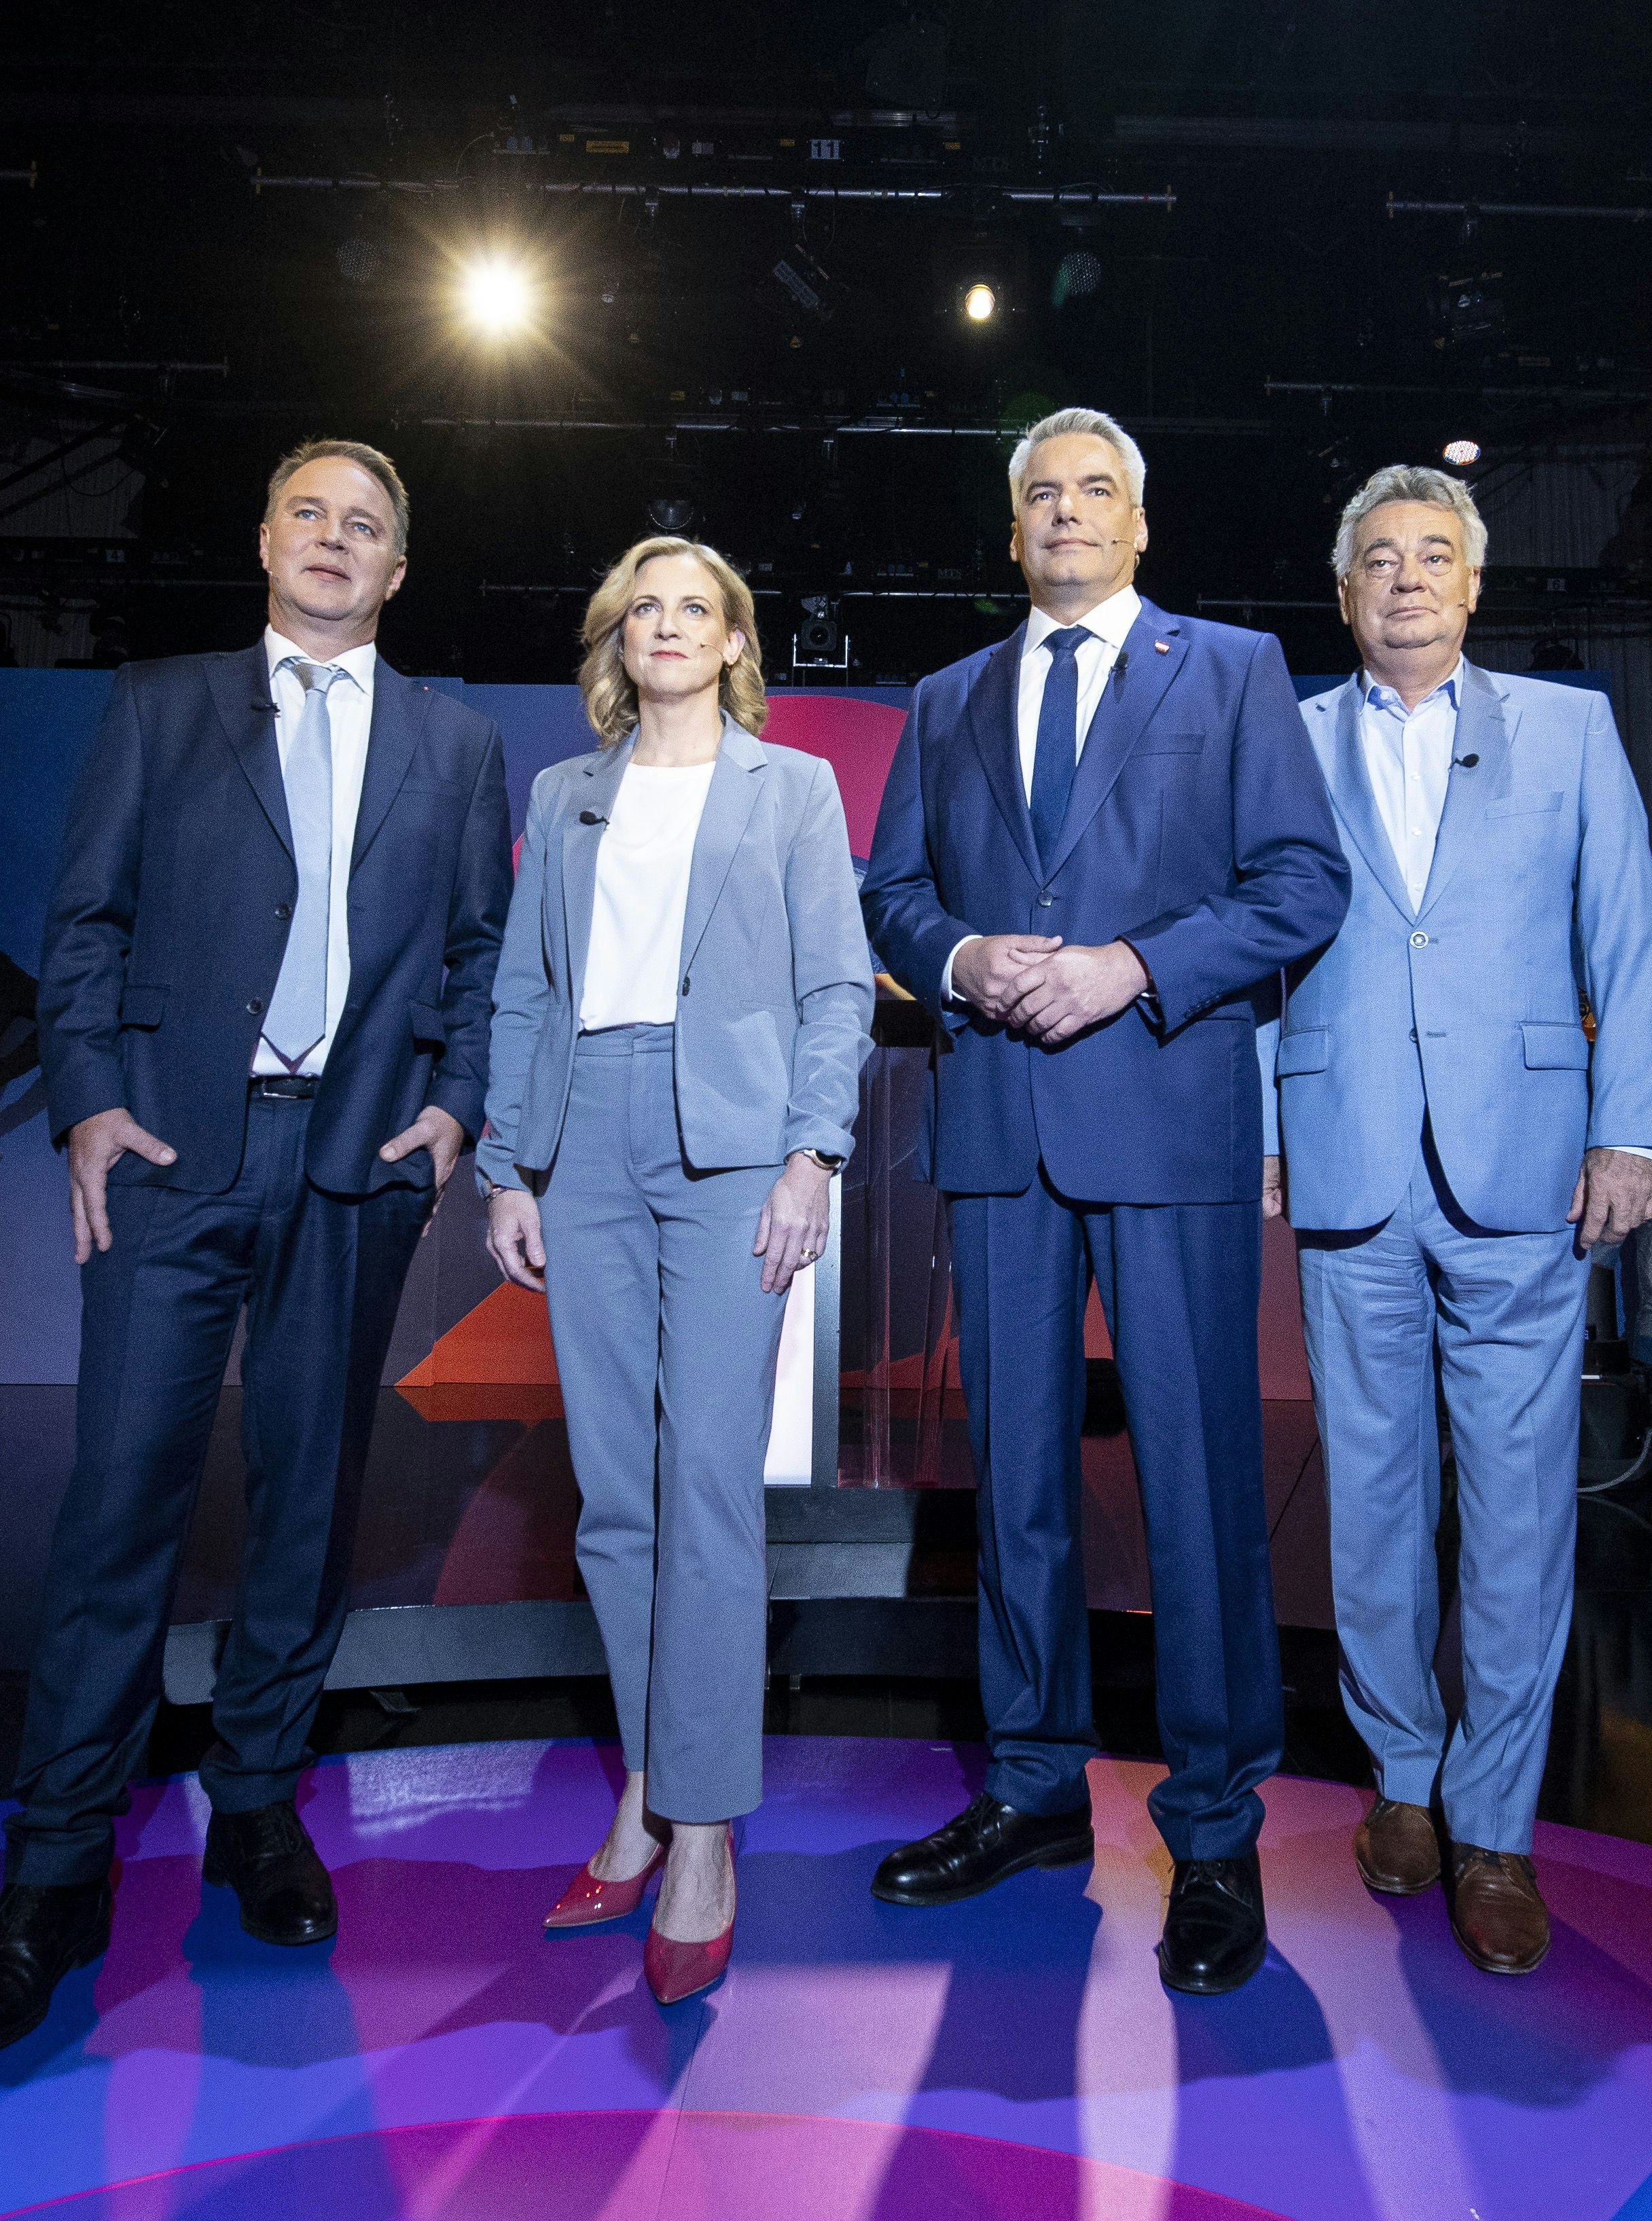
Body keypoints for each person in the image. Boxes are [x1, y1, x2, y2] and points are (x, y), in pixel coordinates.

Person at [0, 441, 512, 2052]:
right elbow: (80, 925)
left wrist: (454, 1112)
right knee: (118, 1507)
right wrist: (86, 1101)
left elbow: (484, 960)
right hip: (172, 1151)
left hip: (354, 1164)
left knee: (311, 1504)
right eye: (311, 513)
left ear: (399, 569)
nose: (337, 541)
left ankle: (259, 1807)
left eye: (368, 526)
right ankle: (60, 1859)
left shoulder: (456, 743)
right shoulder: (158, 707)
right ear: (266, 537)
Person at [861, 407, 1350, 1994]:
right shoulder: (943, 700)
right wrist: (955, 960)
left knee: (1201, 1487)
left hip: (1166, 1123)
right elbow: (894, 890)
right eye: (1038, 497)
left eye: (1095, 492)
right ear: (1012, 534)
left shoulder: (1232, 670)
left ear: (1141, 523)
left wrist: (1131, 967)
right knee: (1012, 1488)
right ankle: (1031, 1787)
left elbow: (1298, 884)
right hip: (998, 1132)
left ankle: (1211, 1835)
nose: (1065, 514)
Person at [1261, 463, 1652, 1974]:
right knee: (1365, 1501)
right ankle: (1403, 1783)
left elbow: (1626, 936)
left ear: (1475, 587)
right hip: (1348, 1160)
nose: (1408, 578)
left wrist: (1629, 1127)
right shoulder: (1282, 744)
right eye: (1380, 559)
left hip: (1524, 1171)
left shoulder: (1566, 730)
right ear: (1345, 593)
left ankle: (1494, 1825)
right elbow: (1253, 953)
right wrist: (1268, 1126)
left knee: (1516, 1510)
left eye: (1435, 556)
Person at [482, 535, 872, 2006]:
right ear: (615, 637)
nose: (663, 626)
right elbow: (525, 987)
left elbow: (836, 983)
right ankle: (645, 1796)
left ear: (731, 639)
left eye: (691, 607)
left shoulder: (792, 787)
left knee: (707, 1481)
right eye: (640, 607)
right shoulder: (563, 794)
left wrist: (808, 1156)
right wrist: (508, 1166)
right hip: (582, 1139)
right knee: (617, 1492)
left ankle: (704, 1829)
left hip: (729, 1151)